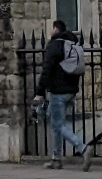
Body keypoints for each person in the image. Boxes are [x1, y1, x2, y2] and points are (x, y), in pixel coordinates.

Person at [36, 18, 89, 168]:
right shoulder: (72, 43)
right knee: (57, 123)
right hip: (71, 90)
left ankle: (83, 148)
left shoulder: (55, 46)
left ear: (55, 29)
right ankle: (56, 158)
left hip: (58, 91)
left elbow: (47, 70)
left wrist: (39, 92)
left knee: (57, 125)